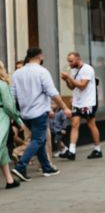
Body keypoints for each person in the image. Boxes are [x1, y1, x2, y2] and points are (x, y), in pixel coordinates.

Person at [11, 47, 70, 181]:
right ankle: (21, 166)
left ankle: (46, 167)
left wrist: (15, 114)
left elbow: (12, 95)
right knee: (38, 140)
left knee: (40, 140)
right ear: (40, 56)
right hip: (39, 112)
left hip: (25, 114)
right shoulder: (42, 72)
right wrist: (65, 107)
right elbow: (52, 92)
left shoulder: (17, 73)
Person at [59, 51, 101, 159]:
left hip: (88, 102)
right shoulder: (73, 70)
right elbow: (72, 87)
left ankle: (97, 148)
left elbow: (82, 85)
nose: (70, 63)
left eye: (71, 61)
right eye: (68, 61)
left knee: (91, 124)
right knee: (74, 124)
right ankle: (72, 151)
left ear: (78, 58)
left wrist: (69, 77)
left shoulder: (87, 69)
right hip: (77, 102)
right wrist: (67, 80)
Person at [0, 61, 23, 189]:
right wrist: (18, 120)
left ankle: (9, 180)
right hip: (1, 116)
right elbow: (9, 106)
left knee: (2, 148)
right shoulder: (2, 85)